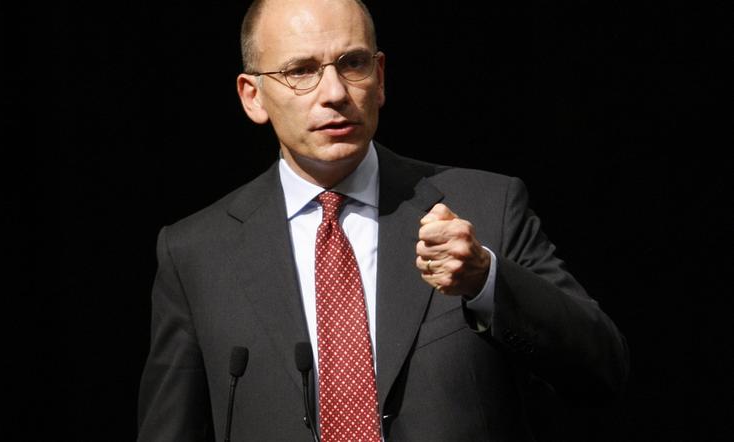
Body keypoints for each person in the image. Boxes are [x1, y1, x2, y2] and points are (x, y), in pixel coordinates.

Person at [137, 0, 629, 440]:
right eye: (301, 71)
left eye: (352, 64)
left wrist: (487, 281)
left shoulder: (486, 207)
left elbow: (601, 370)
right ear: (253, 96)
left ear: (381, 77)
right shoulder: (196, 253)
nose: (334, 92)